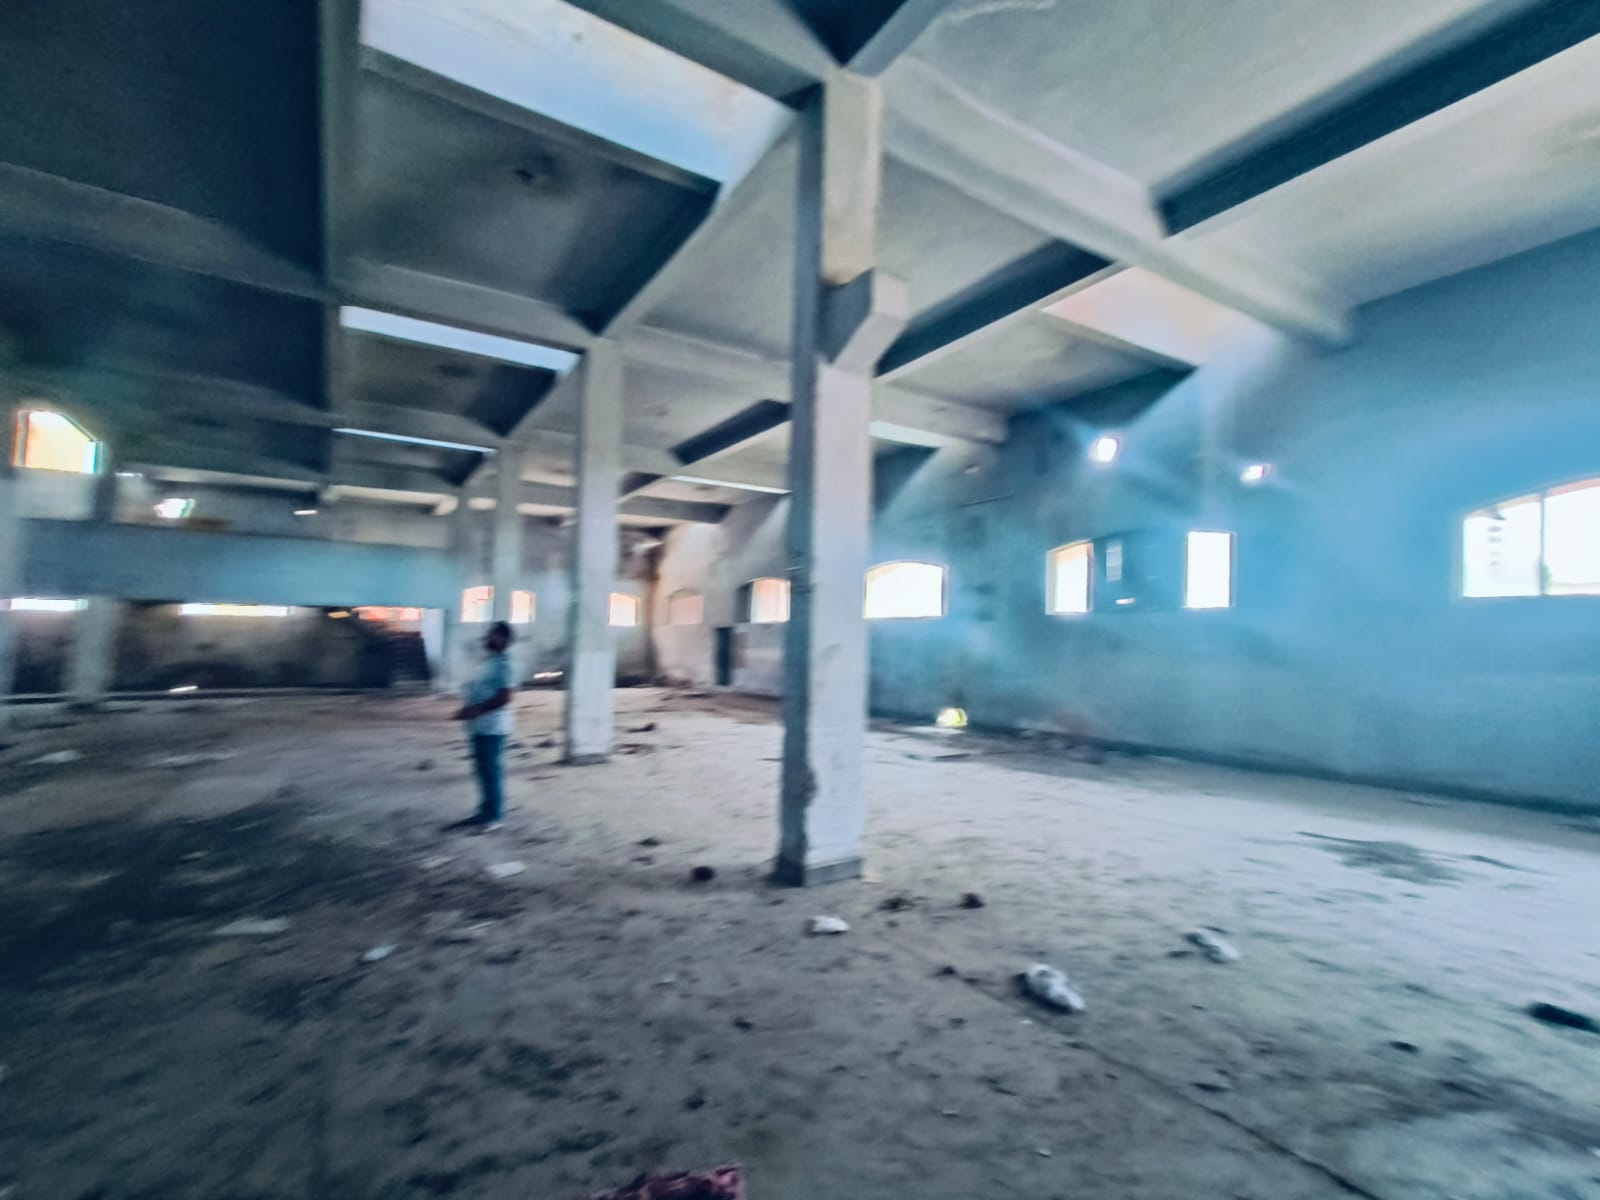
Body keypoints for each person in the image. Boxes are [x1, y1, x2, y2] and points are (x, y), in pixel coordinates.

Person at [450, 621, 515, 830]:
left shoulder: (505, 665)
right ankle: (485, 811)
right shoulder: (490, 661)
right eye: (489, 634)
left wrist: (478, 709)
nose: (488, 637)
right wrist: (468, 708)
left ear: (503, 639)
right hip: (481, 725)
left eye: (492, 634)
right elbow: (481, 690)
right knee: (483, 770)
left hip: (493, 727)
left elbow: (506, 696)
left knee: (491, 770)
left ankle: (494, 817)